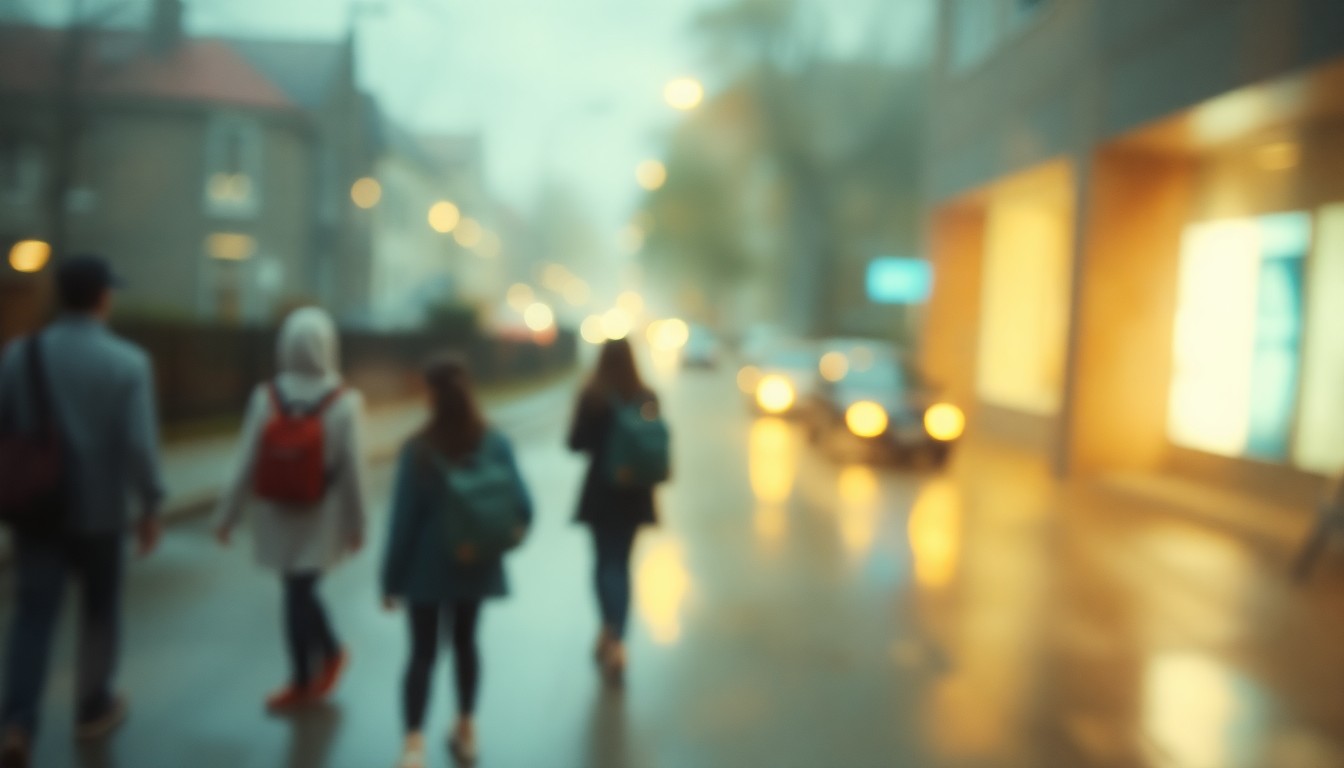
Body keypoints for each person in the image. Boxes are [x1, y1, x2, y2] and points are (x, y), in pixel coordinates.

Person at [0, 255, 165, 768]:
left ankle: (17, 722)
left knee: (32, 616)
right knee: (99, 612)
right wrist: (151, 504)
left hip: (37, 512)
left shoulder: (17, 357)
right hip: (100, 515)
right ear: (101, 297)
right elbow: (140, 446)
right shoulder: (128, 364)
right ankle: (93, 707)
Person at [214, 307, 368, 713]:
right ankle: (326, 659)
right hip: (323, 515)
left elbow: (245, 460)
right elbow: (354, 471)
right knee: (300, 590)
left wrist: (226, 516)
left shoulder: (265, 397)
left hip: (276, 513)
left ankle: (307, 675)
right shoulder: (345, 401)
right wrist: (358, 525)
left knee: (296, 591)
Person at [382, 357, 532, 768]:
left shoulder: (419, 450)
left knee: (421, 654)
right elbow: (524, 507)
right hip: (476, 567)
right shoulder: (495, 443)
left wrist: (390, 582)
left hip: (425, 573)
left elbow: (402, 524)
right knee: (467, 644)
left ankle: (413, 746)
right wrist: (500, 541)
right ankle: (466, 730)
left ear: (432, 396)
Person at [567, 338, 664, 682]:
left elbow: (575, 443)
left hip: (602, 493)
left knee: (604, 563)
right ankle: (617, 639)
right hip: (636, 494)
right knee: (621, 564)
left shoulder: (592, 397)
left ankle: (610, 631)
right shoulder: (647, 396)